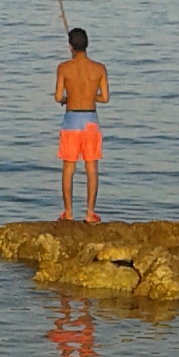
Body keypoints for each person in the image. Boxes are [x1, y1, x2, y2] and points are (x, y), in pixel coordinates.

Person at [54, 26, 110, 223]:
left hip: (71, 121)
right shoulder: (99, 68)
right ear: (87, 45)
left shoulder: (63, 68)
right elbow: (104, 98)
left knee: (69, 168)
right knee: (91, 168)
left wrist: (69, 98)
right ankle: (89, 213)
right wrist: (89, 95)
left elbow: (58, 96)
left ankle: (68, 212)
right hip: (91, 122)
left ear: (70, 46)